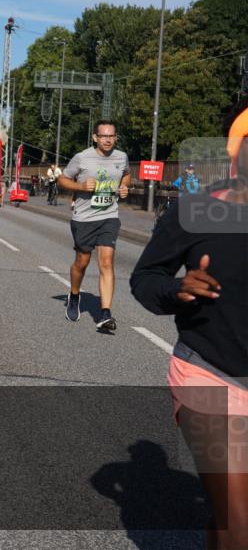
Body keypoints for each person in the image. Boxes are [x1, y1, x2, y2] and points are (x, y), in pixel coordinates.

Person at [130, 97, 248, 550]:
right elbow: (145, 279)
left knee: (226, 521)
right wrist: (177, 290)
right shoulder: (194, 210)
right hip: (208, 372)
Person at [58, 120, 131, 331]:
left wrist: (124, 187)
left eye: (112, 136)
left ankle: (105, 313)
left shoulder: (121, 157)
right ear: (95, 138)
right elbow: (62, 180)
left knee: (107, 262)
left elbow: (126, 175)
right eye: (104, 136)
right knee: (82, 261)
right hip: (84, 218)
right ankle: (74, 295)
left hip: (109, 216)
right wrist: (80, 186)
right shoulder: (82, 157)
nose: (108, 140)